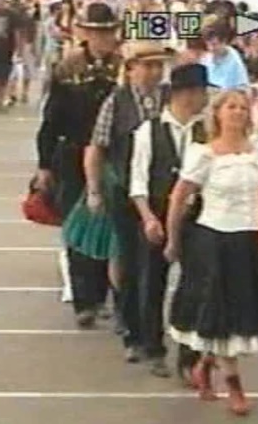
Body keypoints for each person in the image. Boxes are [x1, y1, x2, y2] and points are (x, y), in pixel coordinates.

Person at [164, 89, 258, 416]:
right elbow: (179, 197)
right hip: (213, 241)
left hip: (247, 241)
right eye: (231, 107)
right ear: (217, 113)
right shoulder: (204, 154)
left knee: (240, 311)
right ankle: (234, 386)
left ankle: (206, 364)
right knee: (221, 314)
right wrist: (173, 240)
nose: (238, 112)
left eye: (243, 108)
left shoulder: (256, 151)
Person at [84, 40, 172, 362]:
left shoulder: (169, 99)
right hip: (124, 194)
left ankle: (153, 337)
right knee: (131, 264)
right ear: (131, 69)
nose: (153, 72)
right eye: (147, 66)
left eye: (158, 66)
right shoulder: (117, 101)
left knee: (157, 268)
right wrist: (94, 190)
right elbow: (97, 148)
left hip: (161, 194)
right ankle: (133, 333)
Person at [35, 2, 121, 328]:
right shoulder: (66, 69)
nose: (103, 38)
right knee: (77, 227)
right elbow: (50, 120)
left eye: (108, 32)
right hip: (72, 156)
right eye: (97, 32)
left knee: (110, 227)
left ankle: (105, 294)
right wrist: (44, 165)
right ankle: (85, 300)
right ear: (85, 33)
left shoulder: (124, 68)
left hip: (113, 158)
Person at [129, 63, 211, 378]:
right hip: (158, 213)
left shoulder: (206, 131)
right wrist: (148, 218)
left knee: (195, 284)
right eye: (201, 92)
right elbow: (138, 181)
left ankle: (189, 352)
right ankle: (152, 346)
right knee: (152, 283)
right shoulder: (148, 131)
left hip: (197, 217)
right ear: (184, 94)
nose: (204, 99)